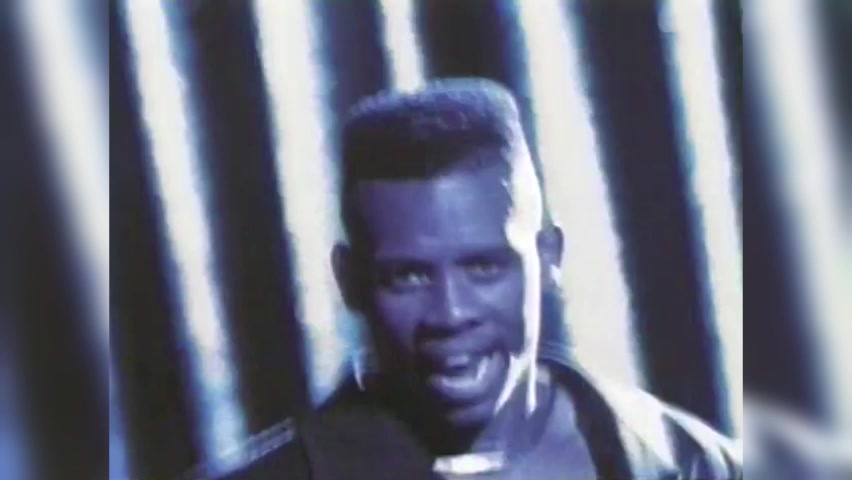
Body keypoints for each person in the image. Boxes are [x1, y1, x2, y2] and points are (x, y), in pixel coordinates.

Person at [199, 78, 741, 480]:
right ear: (350, 282)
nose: (451, 314)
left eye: (484, 267)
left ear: (548, 257)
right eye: (408, 276)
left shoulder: (695, 462)